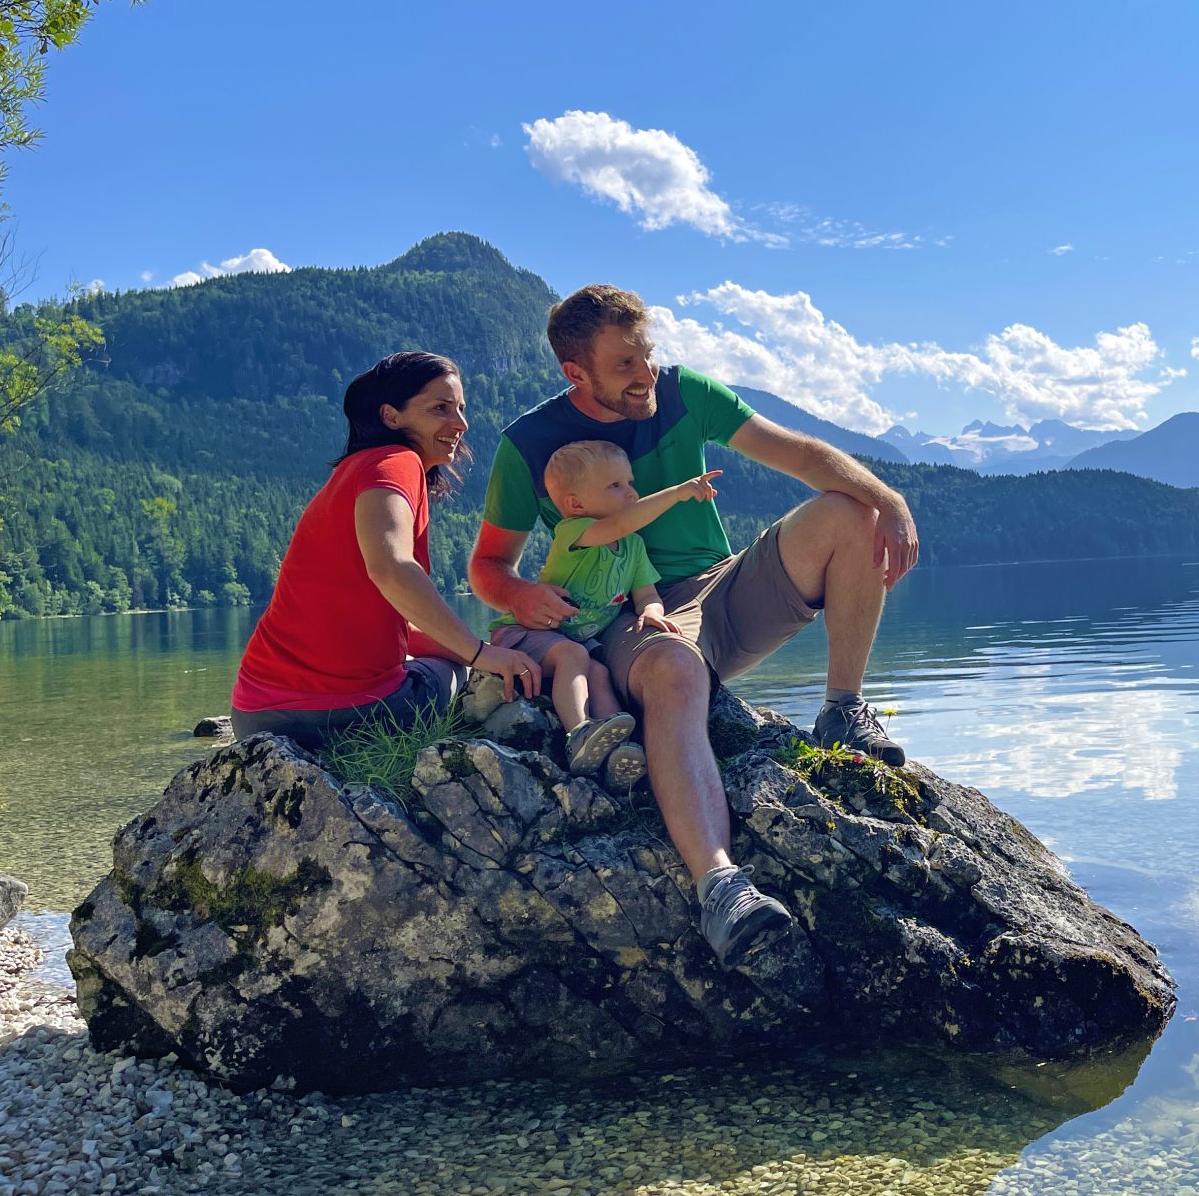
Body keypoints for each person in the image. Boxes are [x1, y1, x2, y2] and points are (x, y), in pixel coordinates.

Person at [469, 284, 921, 967]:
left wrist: (887, 497)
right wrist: (523, 596)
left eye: (647, 355)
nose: (646, 374)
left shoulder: (686, 394)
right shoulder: (531, 444)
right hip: (629, 611)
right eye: (624, 364)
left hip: (723, 587)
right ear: (576, 373)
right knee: (675, 670)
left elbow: (797, 453)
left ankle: (843, 709)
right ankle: (721, 886)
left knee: (849, 512)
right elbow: (490, 566)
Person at [232, 352, 539, 746]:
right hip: (348, 713)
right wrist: (479, 655)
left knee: (452, 654)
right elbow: (392, 568)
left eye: (461, 409)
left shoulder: (355, 470)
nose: (460, 423)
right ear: (392, 416)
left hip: (255, 716)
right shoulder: (397, 463)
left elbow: (398, 621)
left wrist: (471, 645)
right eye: (440, 409)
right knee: (451, 670)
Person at [479, 439, 723, 781]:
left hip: (573, 643)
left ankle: (613, 748)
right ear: (575, 503)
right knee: (574, 657)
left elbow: (646, 592)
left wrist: (651, 611)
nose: (631, 494)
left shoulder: (633, 547)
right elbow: (618, 526)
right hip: (527, 634)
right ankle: (578, 733)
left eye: (630, 483)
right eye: (615, 485)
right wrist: (676, 493)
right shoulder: (574, 532)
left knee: (601, 674)